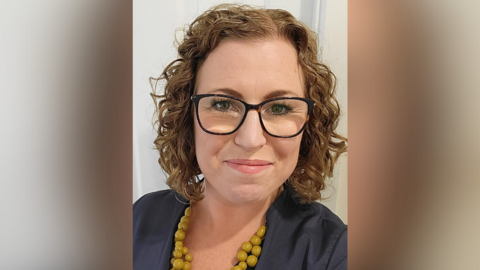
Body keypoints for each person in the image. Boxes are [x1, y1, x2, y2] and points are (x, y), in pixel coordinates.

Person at [134, 4, 347, 270]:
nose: (251, 139)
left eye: (279, 108)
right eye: (223, 105)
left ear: (307, 123)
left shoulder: (336, 254)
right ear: (188, 115)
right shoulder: (140, 218)